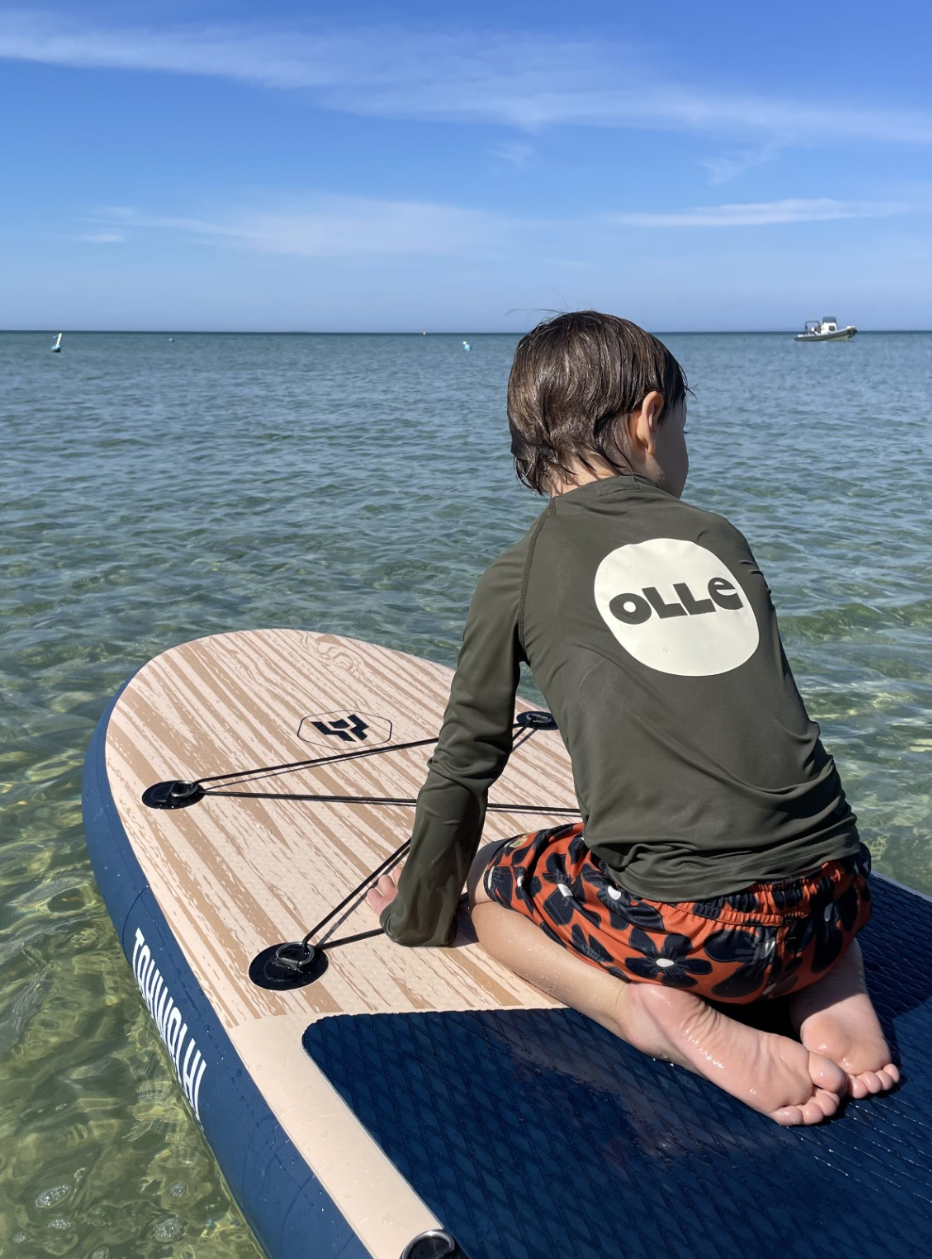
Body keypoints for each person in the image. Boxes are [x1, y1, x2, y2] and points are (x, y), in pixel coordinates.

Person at [369, 310, 898, 1126]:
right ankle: (833, 988)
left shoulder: (517, 573)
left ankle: (639, 1014)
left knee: (494, 884)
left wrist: (419, 912)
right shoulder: (718, 536)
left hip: (698, 940)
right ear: (650, 419)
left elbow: (466, 762)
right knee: (772, 849)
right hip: (840, 896)